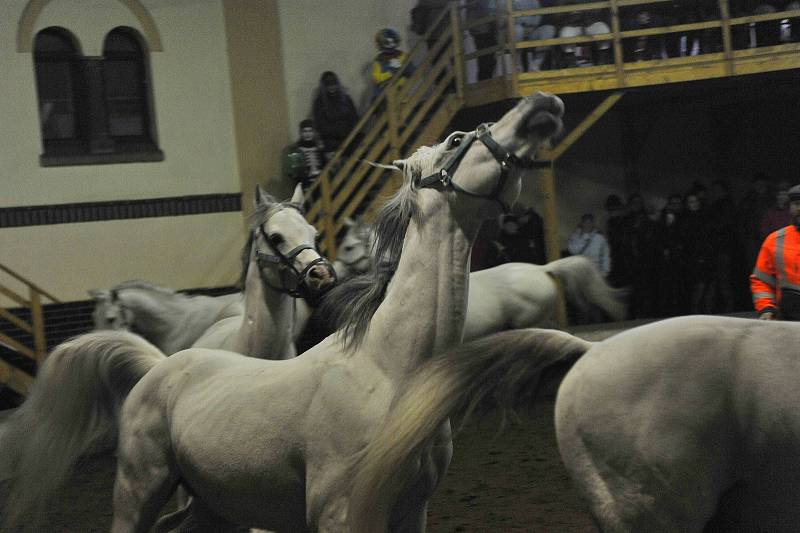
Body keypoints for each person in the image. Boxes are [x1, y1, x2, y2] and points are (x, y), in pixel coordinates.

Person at [750, 183, 800, 320]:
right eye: (796, 204)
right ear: (789, 207)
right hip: (787, 321)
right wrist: (766, 308)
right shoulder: (775, 240)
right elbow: (761, 280)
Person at [312, 71, 359, 157]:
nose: (332, 87)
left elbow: (354, 118)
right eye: (328, 85)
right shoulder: (319, 102)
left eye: (333, 83)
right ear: (324, 86)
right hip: (330, 142)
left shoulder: (346, 99)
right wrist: (339, 131)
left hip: (348, 139)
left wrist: (348, 132)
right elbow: (320, 125)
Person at [281, 119, 327, 192]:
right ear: (301, 133)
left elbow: (326, 166)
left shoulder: (319, 149)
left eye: (310, 131)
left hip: (321, 184)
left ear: (313, 132)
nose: (308, 134)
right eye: (305, 131)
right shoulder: (295, 150)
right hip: (304, 186)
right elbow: (295, 173)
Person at [371, 28, 412, 97]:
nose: (390, 45)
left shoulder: (402, 55)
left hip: (401, 92)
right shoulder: (379, 60)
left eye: (392, 42)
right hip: (385, 94)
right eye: (387, 42)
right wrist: (391, 72)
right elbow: (377, 79)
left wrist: (401, 76)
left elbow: (411, 71)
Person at [465, 0, 498, 80]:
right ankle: (485, 84)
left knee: (486, 61)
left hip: (481, 30)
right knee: (487, 61)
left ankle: (484, 84)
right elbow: (486, 11)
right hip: (484, 30)